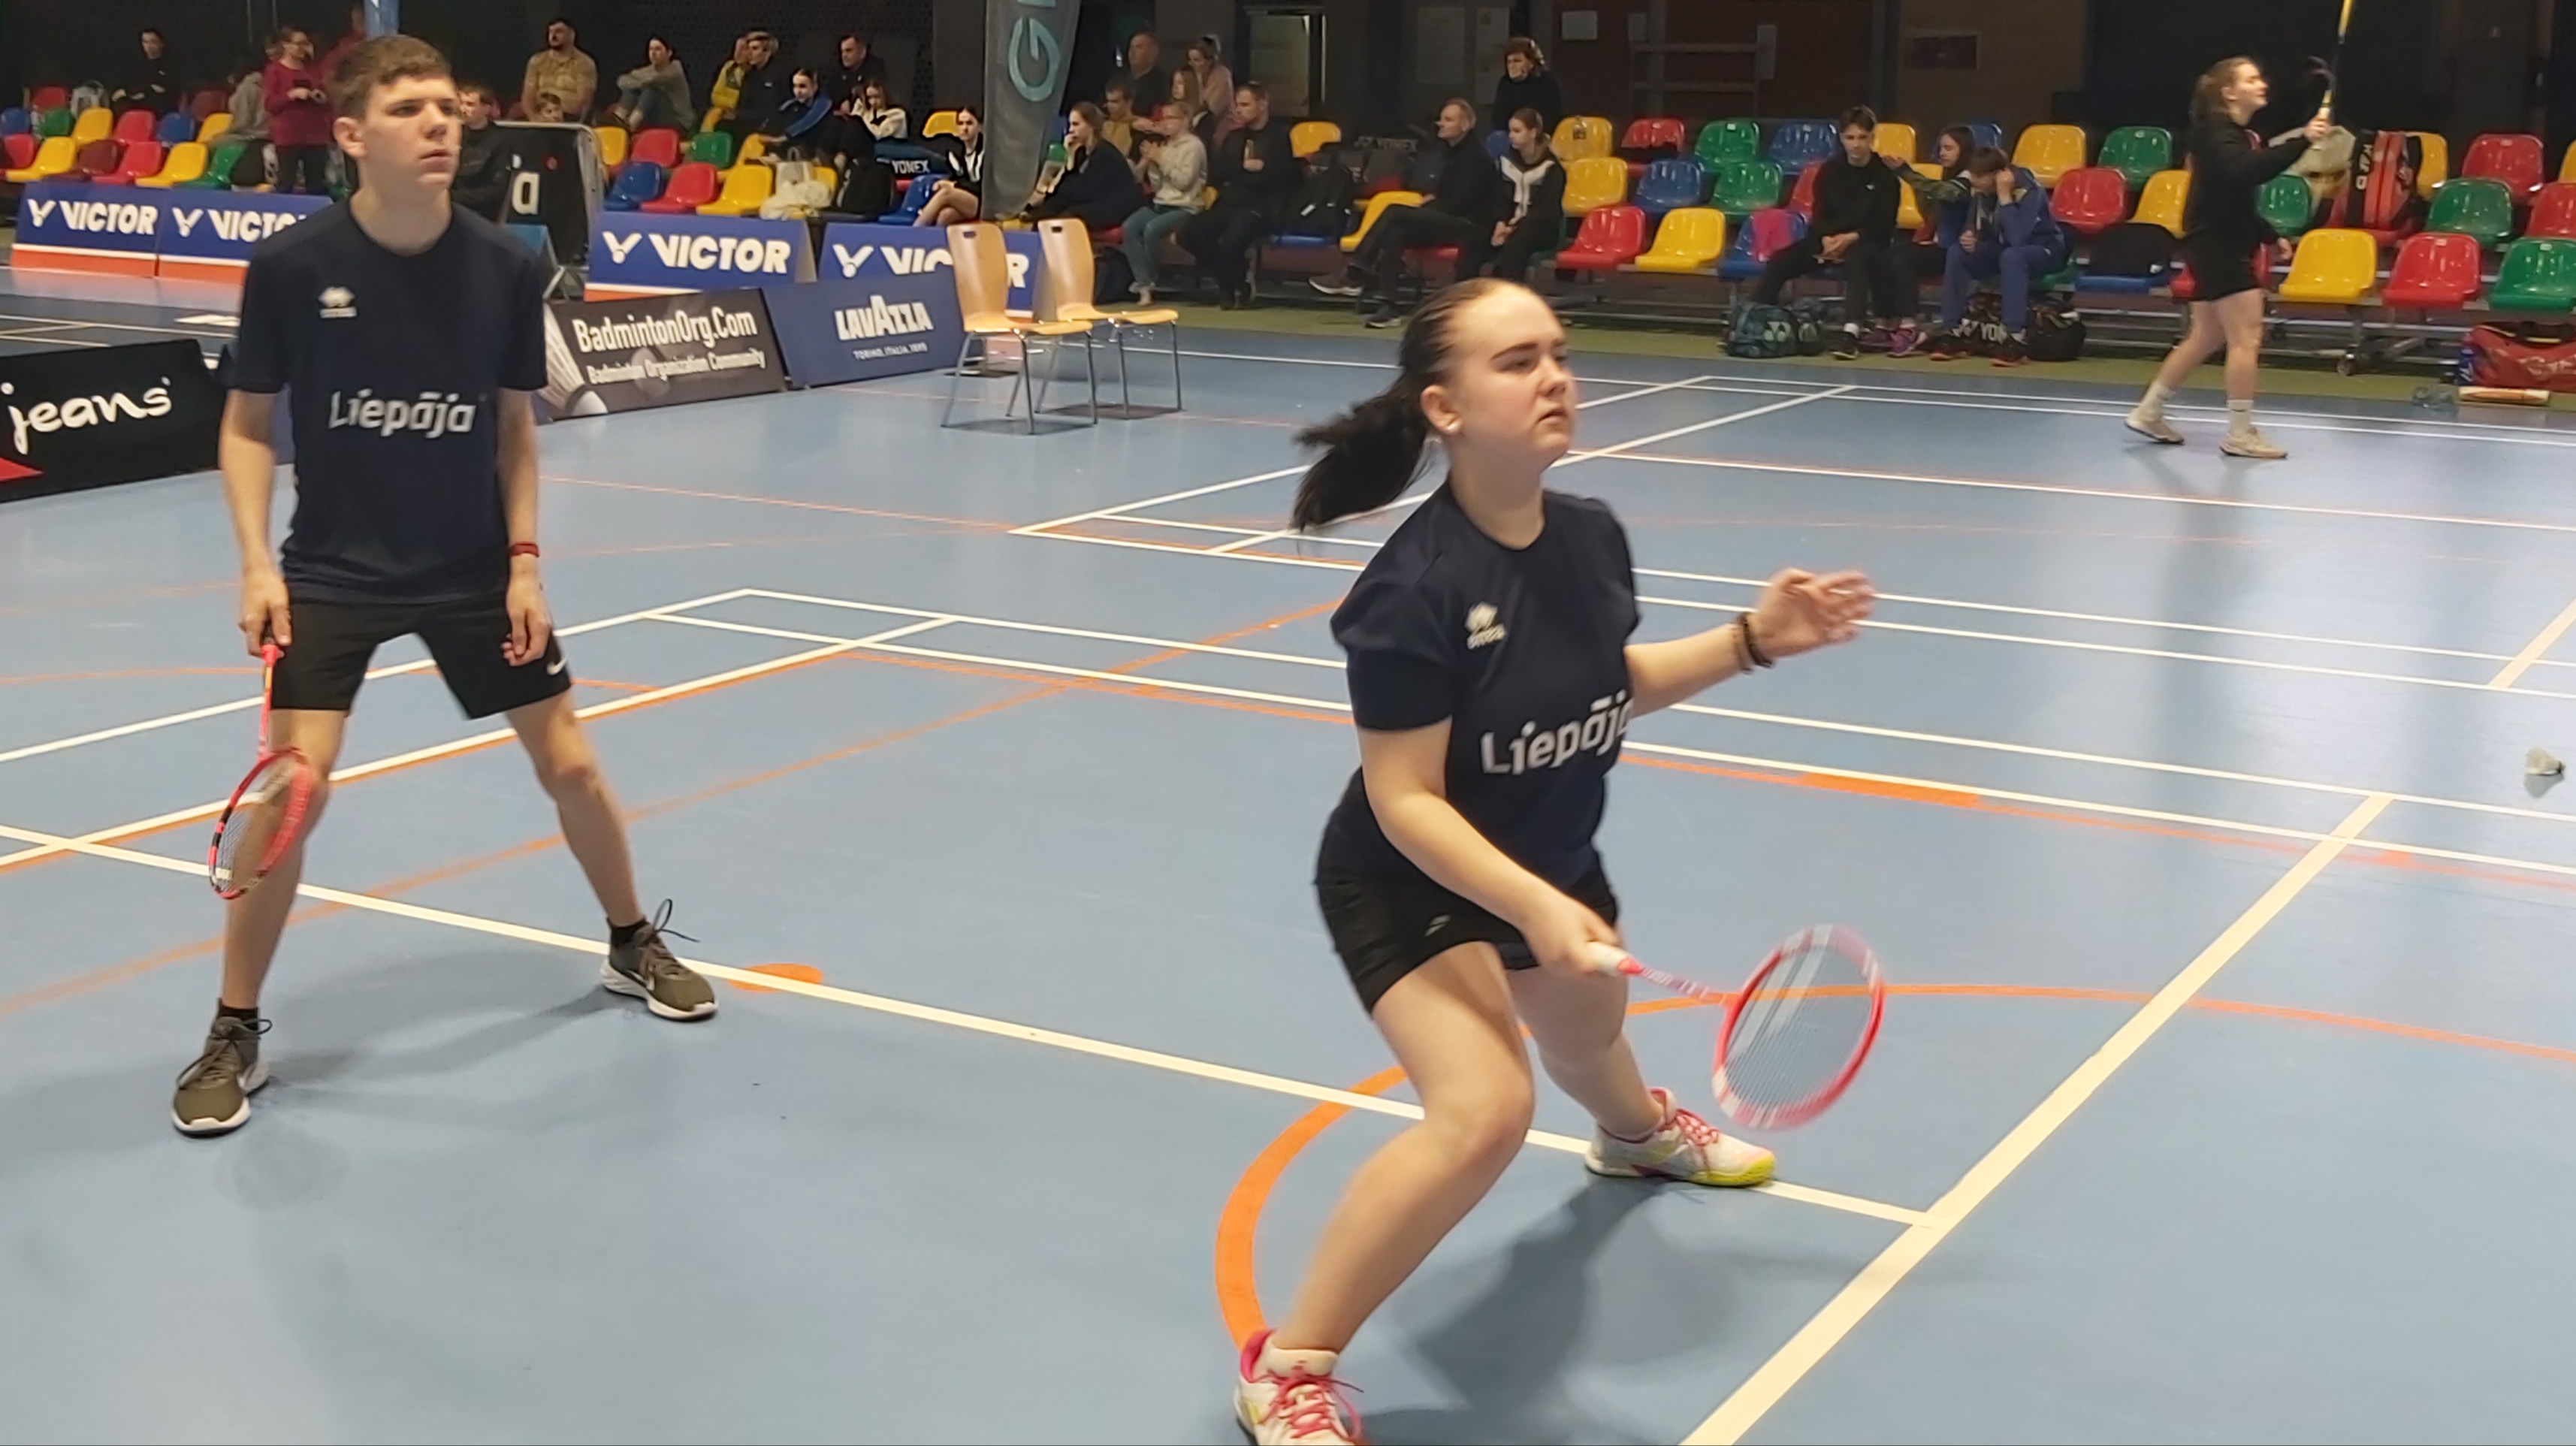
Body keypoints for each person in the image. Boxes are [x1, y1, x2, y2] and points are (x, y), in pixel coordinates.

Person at [1232, 277, 1871, 1445]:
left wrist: (1750, 641)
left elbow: (1602, 687)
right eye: (1517, 361)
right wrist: (1532, 905)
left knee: (1586, 1034)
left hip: (1548, 853)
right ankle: (1289, 1366)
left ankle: (1634, 1138)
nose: (1555, 379)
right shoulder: (1412, 592)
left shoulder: (1589, 536)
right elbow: (1405, 798)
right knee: (1483, 1111)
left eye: (1559, 355)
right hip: (1410, 879)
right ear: (1444, 408)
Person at [181, 33, 716, 1140]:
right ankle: (234, 1025)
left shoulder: (505, 268)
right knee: (292, 794)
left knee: (571, 764)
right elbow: (246, 427)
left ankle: (630, 940)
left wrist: (525, 563)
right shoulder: (292, 268)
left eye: (446, 106)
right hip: (332, 568)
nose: (438, 123)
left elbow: (515, 427)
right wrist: (255, 563)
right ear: (349, 134)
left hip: (473, 564)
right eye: (408, 108)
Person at [2127, 56, 2331, 457]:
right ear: (2229, 92)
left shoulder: (2229, 134)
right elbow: (2246, 172)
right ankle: (2240, 432)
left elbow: (2229, 198)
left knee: (2206, 335)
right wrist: (2304, 139)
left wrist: (2268, 233)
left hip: (2214, 240)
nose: (2262, 84)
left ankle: (2149, 411)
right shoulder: (2217, 133)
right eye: (2251, 79)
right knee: (2245, 337)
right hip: (2218, 246)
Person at [1311, 99, 1499, 328]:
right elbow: (1443, 195)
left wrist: (1429, 206)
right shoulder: (1448, 153)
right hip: (1448, 219)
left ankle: (1356, 272)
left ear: (1465, 125)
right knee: (1396, 232)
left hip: (1469, 226)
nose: (1440, 123)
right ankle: (1389, 306)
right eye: (1441, 118)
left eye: (1448, 120)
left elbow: (1459, 203)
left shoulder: (1476, 158)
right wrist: (1432, 203)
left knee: (1395, 213)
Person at [1751, 106, 1918, 360]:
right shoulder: (1829, 171)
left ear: (1872, 138)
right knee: (1780, 260)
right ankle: (1754, 320)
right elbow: (1820, 213)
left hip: (1867, 241)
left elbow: (1883, 224)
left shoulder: (1886, 178)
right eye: (1850, 138)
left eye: (1862, 138)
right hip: (1828, 240)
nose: (1856, 144)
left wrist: (1851, 238)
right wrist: (1827, 239)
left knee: (1859, 259)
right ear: (1841, 138)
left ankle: (1851, 332)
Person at [1924, 148, 2067, 367]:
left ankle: (2015, 338)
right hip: (2003, 250)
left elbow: (2018, 238)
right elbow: (1973, 223)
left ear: (1999, 175)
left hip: (2043, 250)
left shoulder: (2029, 191)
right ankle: (1952, 331)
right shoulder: (1980, 191)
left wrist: (2005, 197)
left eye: (1979, 177)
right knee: (1957, 252)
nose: (1974, 181)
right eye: (1972, 175)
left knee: (2013, 257)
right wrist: (1969, 235)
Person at [1179, 83, 1298, 308]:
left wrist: (1261, 169)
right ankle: (1235, 278)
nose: (1239, 110)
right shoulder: (1233, 138)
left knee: (1231, 240)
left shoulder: (1278, 137)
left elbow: (1285, 175)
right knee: (1189, 233)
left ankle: (1227, 289)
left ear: (1262, 105)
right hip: (1230, 201)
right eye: (1238, 104)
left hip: (1260, 205)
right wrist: (1243, 169)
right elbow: (1217, 173)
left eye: (1245, 104)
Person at [1462, 107, 1562, 283]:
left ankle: (1509, 289)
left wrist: (1513, 227)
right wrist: (1500, 222)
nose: (1511, 136)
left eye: (1517, 131)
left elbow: (1548, 210)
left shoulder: (1552, 168)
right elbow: (1499, 198)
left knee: (1515, 244)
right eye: (1510, 131)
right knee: (1474, 238)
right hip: (1508, 225)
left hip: (1539, 227)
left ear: (1533, 133)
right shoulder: (1506, 163)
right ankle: (1464, 287)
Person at [1022, 101, 1141, 235]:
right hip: (1092, 201)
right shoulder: (1081, 152)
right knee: (1051, 207)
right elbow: (1065, 188)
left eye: (1076, 124)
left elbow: (1082, 191)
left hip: (1114, 206)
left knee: (1067, 215)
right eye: (1070, 125)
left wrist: (1053, 198)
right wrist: (1070, 157)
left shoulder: (1105, 154)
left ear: (1091, 126)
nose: (1070, 130)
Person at [1121, 125, 1208, 304]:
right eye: (1164, 119)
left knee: (1152, 229)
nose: (1166, 124)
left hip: (1186, 206)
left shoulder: (1194, 146)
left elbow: (1184, 182)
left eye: (1170, 119)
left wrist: (1161, 160)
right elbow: (1157, 187)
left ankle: (1149, 282)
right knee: (1130, 227)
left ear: (1183, 120)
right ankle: (1144, 283)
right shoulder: (1164, 146)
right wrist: (1151, 163)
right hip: (1161, 203)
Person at [263, 29, 334, 196]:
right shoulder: (274, 71)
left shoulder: (313, 71)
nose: (303, 48)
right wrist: (291, 96)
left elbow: (329, 101)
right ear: (286, 45)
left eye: (306, 43)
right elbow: (270, 104)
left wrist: (320, 97)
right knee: (286, 182)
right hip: (288, 136)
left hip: (315, 135)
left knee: (316, 184)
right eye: (298, 44)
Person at [914, 105, 986, 227]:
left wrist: (954, 186)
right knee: (945, 216)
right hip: (965, 201)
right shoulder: (955, 152)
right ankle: (932, 238)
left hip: (984, 203)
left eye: (969, 123)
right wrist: (947, 183)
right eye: (961, 124)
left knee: (946, 193)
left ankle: (915, 231)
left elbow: (984, 187)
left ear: (979, 126)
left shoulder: (987, 152)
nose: (964, 128)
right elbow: (957, 178)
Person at [609, 36, 693, 134]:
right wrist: (637, 84)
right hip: (656, 117)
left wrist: (637, 83)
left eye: (658, 49)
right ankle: (618, 121)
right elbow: (622, 81)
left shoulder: (675, 69)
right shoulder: (648, 70)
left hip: (679, 122)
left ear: (669, 53)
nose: (653, 53)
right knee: (633, 91)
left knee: (651, 92)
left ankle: (630, 126)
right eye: (651, 49)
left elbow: (653, 81)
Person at [451, 81, 510, 219]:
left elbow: (496, 190)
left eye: (470, 104)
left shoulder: (500, 140)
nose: (463, 109)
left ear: (486, 109)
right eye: (462, 103)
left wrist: (454, 197)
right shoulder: (454, 135)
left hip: (482, 213)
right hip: (450, 208)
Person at [519, 17, 596, 122]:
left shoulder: (584, 63)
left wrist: (557, 116)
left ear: (572, 35)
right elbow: (527, 96)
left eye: (559, 32)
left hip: (569, 119)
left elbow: (584, 102)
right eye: (551, 32)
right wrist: (534, 118)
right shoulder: (537, 61)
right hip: (540, 117)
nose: (553, 36)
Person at [1490, 38, 1563, 136]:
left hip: (1539, 135)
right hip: (1511, 135)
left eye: (1517, 61)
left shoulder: (1547, 82)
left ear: (1531, 63)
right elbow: (1498, 119)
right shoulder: (1505, 83)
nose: (1512, 66)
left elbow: (1551, 117)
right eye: (1509, 62)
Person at [723, 32, 788, 142]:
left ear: (768, 52)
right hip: (746, 127)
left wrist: (739, 116)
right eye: (748, 49)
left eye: (755, 49)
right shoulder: (749, 75)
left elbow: (770, 111)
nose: (750, 53)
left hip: (768, 131)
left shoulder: (778, 75)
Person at [1185, 37, 1237, 145]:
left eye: (1197, 60)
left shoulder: (1222, 76)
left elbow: (1212, 109)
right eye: (1190, 60)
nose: (1192, 64)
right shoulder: (1197, 75)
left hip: (1221, 128)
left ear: (1210, 61)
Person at [114, 29, 180, 115]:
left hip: (160, 108)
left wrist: (139, 90)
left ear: (162, 43)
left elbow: (165, 89)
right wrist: (130, 92)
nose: (149, 46)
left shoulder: (170, 65)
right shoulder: (137, 65)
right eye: (145, 42)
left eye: (153, 42)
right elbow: (129, 87)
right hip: (135, 105)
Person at [1121, 32, 1169, 119]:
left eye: (1139, 47)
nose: (1132, 52)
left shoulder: (1161, 84)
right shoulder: (1119, 80)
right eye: (1131, 47)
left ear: (1153, 53)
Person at [829, 35, 887, 107]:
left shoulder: (875, 68)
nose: (844, 55)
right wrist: (841, 100)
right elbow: (831, 89)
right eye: (842, 52)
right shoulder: (837, 70)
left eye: (849, 51)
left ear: (862, 51)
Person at [850, 76, 907, 141]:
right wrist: (858, 109)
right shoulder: (869, 112)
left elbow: (879, 134)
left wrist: (861, 118)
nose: (873, 102)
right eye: (869, 98)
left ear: (884, 95)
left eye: (877, 97)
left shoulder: (897, 114)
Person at [1098, 79, 1140, 158]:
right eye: (1108, 101)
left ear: (1129, 103)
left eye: (1115, 102)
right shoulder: (1101, 126)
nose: (1110, 106)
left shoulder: (1139, 131)